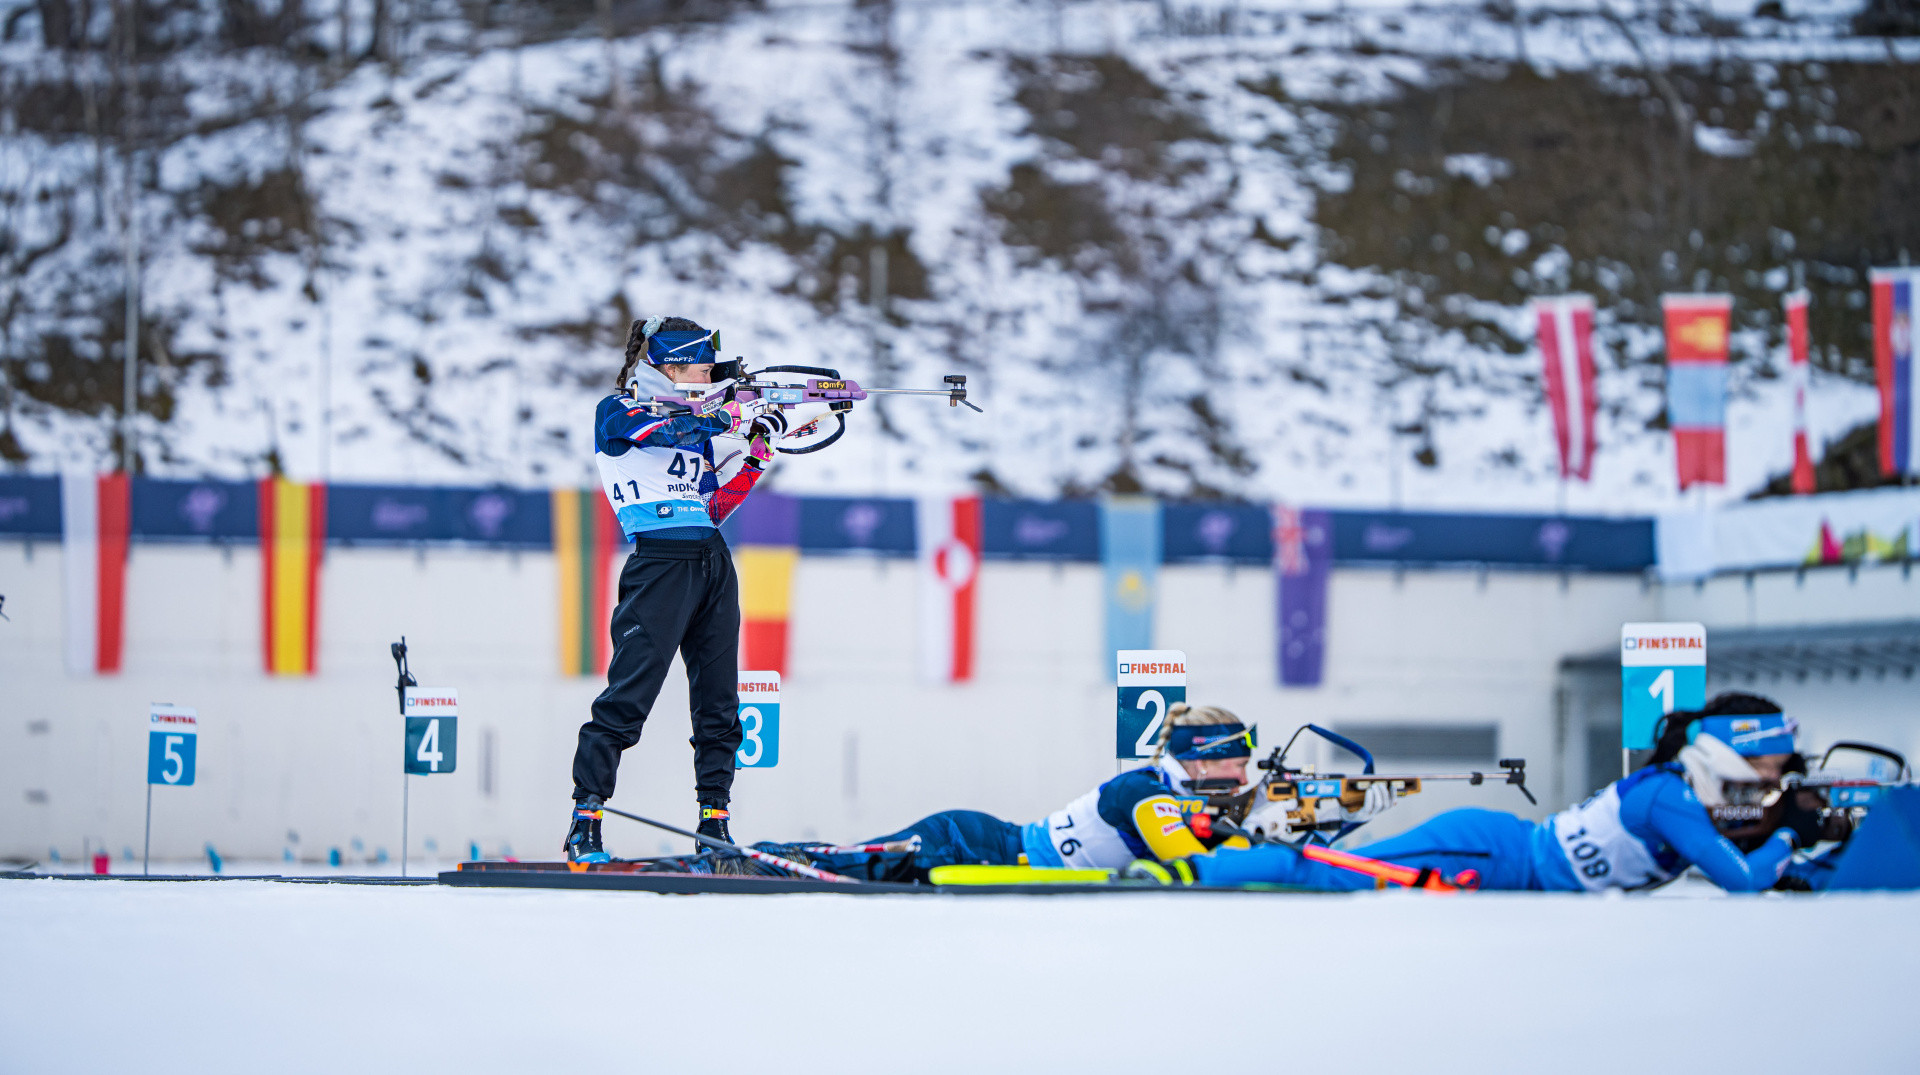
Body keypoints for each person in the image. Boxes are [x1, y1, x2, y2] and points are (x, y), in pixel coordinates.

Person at [1156, 691, 1825, 893]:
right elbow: (1738, 878)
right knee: (1326, 874)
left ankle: (1202, 867)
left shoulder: (1679, 793)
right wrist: (1793, 836)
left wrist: (1786, 842)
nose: (1774, 781)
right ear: (1736, 752)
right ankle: (1189, 871)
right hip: (1497, 853)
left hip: (1509, 862)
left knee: (1332, 867)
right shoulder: (1671, 797)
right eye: (1768, 767)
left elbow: (1733, 851)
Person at [695, 703, 1393, 882]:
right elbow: (1185, 857)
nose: (1243, 775)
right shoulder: (1146, 793)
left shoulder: (1186, 794)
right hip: (973, 840)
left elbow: (1215, 838)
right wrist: (1264, 832)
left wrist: (1309, 826)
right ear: (1201, 763)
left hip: (1000, 843)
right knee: (851, 860)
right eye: (1235, 763)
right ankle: (743, 858)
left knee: (861, 858)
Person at [564, 316, 784, 864]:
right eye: (701, 367)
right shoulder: (617, 411)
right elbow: (664, 430)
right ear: (668, 364)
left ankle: (715, 825)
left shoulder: (701, 424)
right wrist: (729, 413)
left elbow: (711, 508)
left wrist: (755, 452)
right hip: (659, 565)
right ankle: (584, 821)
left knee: (719, 703)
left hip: (711, 560)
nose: (709, 376)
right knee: (628, 696)